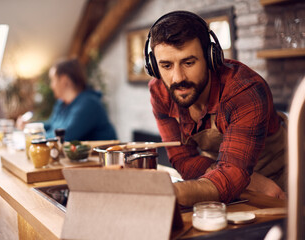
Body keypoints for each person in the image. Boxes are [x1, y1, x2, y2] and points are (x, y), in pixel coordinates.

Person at [145, 11, 286, 207]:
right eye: (166, 65)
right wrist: (236, 176)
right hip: (222, 183)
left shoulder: (245, 90)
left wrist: (169, 192)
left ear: (211, 58)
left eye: (188, 62)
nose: (177, 78)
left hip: (279, 182)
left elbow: (231, 176)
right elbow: (181, 157)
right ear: (154, 66)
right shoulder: (160, 91)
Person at [17, 58, 117, 141]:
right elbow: (52, 125)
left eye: (53, 80)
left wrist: (32, 137)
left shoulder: (88, 104)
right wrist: (30, 127)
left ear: (64, 80)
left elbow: (65, 136)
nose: (51, 86)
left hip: (100, 162)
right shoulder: (61, 103)